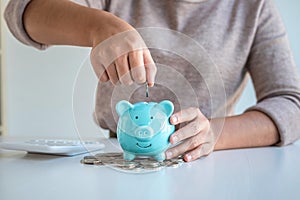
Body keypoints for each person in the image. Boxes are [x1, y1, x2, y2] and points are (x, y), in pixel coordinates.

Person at [4, 0, 300, 162]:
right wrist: (99, 25)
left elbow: (291, 104)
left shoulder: (254, 7)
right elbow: (21, 10)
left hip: (207, 165)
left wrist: (213, 135)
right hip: (117, 157)